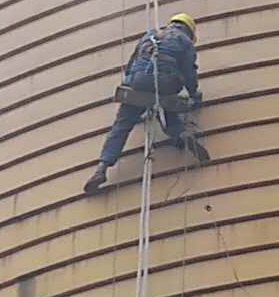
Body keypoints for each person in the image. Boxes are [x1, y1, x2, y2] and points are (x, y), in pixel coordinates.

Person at [85, 12, 204, 194]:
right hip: (166, 83)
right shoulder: (185, 41)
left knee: (121, 125)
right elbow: (189, 72)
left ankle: (102, 167)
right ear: (189, 31)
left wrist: (130, 85)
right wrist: (194, 94)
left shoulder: (150, 35)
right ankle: (180, 134)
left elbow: (132, 63)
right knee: (168, 106)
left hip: (139, 80)